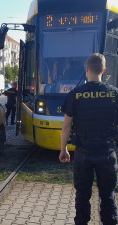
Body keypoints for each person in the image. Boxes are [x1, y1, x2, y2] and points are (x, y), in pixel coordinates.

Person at [59, 53, 118, 225]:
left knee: (82, 195)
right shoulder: (114, 94)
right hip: (107, 152)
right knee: (108, 195)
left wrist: (63, 150)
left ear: (86, 70)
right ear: (104, 70)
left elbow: (66, 126)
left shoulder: (75, 94)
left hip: (83, 153)